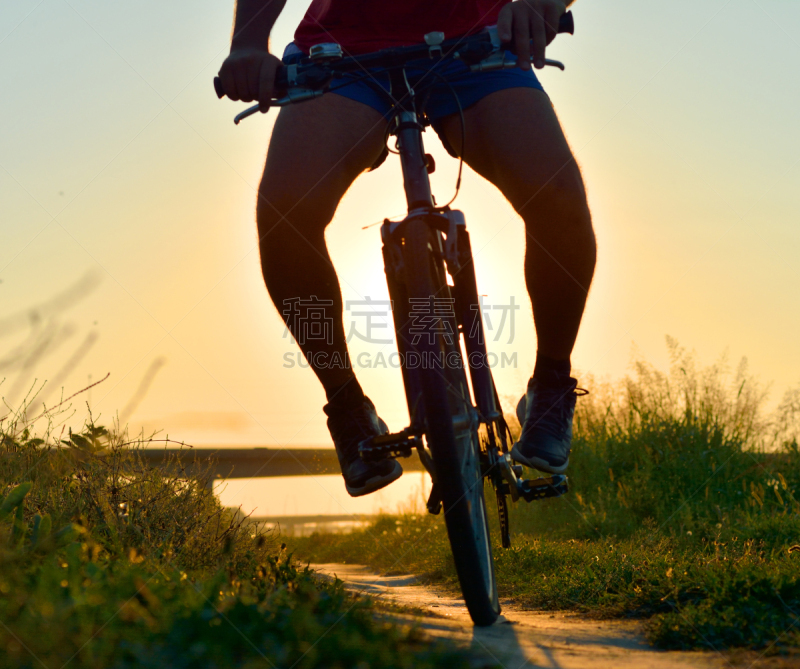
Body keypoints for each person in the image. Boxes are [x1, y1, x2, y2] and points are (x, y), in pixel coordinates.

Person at [217, 0, 595, 497]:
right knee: (285, 215)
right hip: (340, 52)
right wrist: (247, 42)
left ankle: (551, 386)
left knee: (559, 200)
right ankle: (348, 409)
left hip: (475, 40)